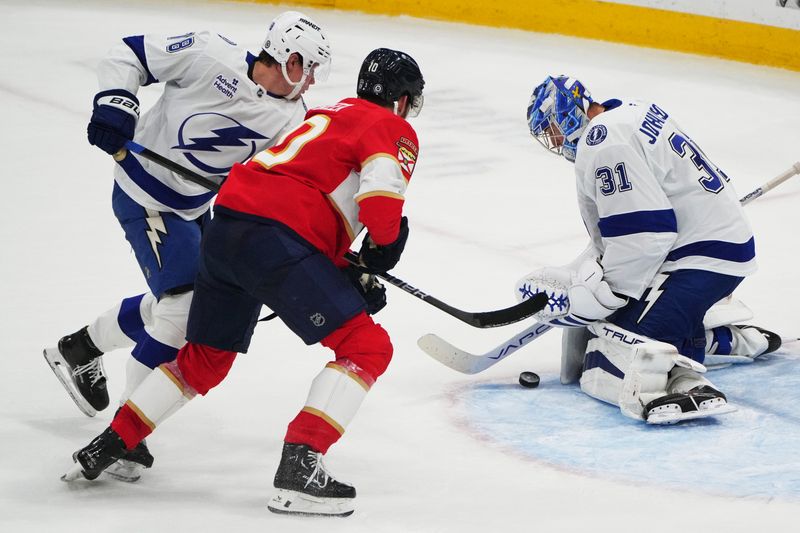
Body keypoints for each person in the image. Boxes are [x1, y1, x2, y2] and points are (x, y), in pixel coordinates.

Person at [62, 48, 425, 517]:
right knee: (367, 348)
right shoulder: (391, 127)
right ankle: (300, 467)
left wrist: (345, 267)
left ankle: (112, 443)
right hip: (276, 241)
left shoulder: (324, 115)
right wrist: (383, 247)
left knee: (204, 360)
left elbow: (304, 198)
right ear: (400, 101)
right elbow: (378, 202)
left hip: (227, 229)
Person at [43, 11, 331, 481]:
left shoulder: (291, 118)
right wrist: (115, 105)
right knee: (182, 310)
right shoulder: (209, 53)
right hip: (145, 198)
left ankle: (80, 348)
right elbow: (129, 54)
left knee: (181, 302)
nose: (313, 80)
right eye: (310, 68)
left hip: (196, 210)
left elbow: (282, 188)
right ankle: (124, 436)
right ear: (288, 58)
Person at [515, 75, 780, 425]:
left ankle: (688, 383)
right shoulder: (628, 112)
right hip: (712, 247)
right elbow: (631, 229)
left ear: (568, 112)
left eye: (554, 130)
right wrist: (586, 273)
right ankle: (734, 341)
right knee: (618, 325)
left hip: (699, 259)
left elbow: (645, 234)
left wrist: (609, 293)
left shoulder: (603, 140)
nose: (556, 141)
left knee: (605, 352)